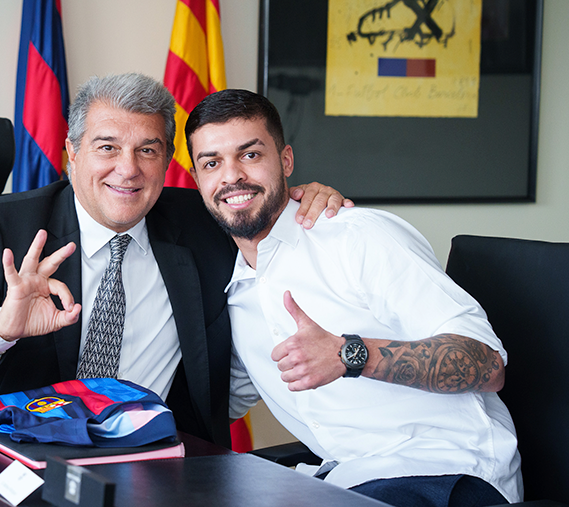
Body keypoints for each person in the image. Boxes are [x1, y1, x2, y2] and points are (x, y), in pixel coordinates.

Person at [0, 73, 349, 448]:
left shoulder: (207, 221)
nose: (128, 169)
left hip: (146, 461)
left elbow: (261, 201)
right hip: (5, 455)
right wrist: (2, 326)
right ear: (72, 154)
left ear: (169, 160)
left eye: (147, 150)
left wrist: (307, 199)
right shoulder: (2, 228)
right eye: (107, 147)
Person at [185, 88, 521, 505]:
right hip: (349, 481)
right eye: (212, 163)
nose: (232, 176)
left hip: (448, 470)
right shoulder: (233, 291)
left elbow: (487, 364)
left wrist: (349, 354)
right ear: (197, 179)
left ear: (285, 161)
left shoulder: (357, 238)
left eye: (250, 155)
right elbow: (210, 404)